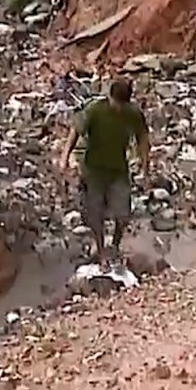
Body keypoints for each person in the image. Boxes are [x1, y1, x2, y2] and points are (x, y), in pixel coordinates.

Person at [61, 78, 150, 271]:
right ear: (109, 97)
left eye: (122, 105)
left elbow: (143, 139)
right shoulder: (95, 110)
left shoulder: (132, 114)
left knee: (123, 214)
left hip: (118, 169)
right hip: (93, 169)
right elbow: (75, 132)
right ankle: (102, 253)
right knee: (96, 213)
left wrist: (146, 170)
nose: (118, 108)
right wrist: (65, 157)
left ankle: (115, 247)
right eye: (115, 104)